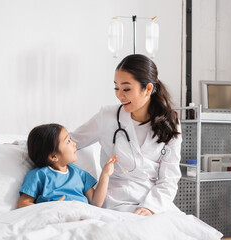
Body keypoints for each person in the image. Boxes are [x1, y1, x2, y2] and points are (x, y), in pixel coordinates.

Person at [70, 54, 182, 216]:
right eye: (116, 88)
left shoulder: (170, 122)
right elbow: (70, 141)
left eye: (126, 89)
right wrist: (25, 144)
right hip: (115, 203)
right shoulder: (107, 117)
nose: (120, 95)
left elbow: (169, 178)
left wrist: (150, 208)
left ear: (148, 89)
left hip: (154, 204)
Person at [17, 123, 117, 208]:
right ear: (53, 156)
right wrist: (48, 208)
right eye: (68, 141)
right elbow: (23, 203)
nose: (74, 144)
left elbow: (96, 203)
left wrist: (105, 174)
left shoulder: (80, 174)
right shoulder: (38, 175)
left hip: (80, 214)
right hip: (55, 215)